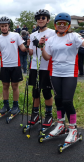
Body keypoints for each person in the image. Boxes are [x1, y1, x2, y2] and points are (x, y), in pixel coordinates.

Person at [41, 12, 84, 144]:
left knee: (67, 101)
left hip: (70, 73)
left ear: (68, 25)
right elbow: (47, 57)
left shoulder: (74, 36)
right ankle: (60, 124)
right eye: (59, 23)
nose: (61, 26)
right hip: (55, 73)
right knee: (58, 99)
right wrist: (42, 46)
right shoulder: (51, 39)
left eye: (64, 24)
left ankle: (73, 129)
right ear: (55, 25)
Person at [0, 16, 29, 115]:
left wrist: (28, 45)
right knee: (5, 85)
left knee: (15, 86)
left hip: (15, 65)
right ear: (0, 27)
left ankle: (16, 105)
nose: (4, 28)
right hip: (4, 65)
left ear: (9, 26)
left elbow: (23, 48)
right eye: (2, 26)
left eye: (5, 26)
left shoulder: (15, 35)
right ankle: (6, 105)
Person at [28, 9, 55, 128]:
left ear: (48, 20)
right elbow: (31, 52)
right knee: (35, 91)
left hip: (47, 66)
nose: (40, 19)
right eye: (38, 17)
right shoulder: (33, 34)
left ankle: (48, 115)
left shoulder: (53, 33)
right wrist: (27, 45)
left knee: (47, 92)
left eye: (43, 17)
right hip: (35, 66)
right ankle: (35, 114)